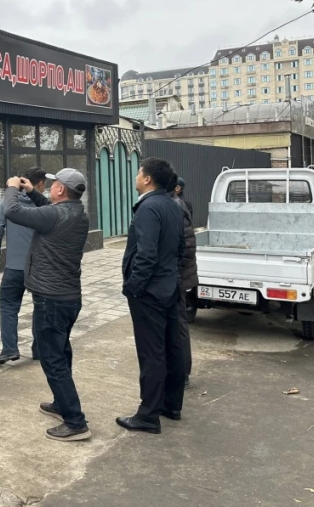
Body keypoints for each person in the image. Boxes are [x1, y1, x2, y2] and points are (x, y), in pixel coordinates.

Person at [3, 168, 91, 442]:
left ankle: (75, 421)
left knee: (52, 359)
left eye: (54, 184)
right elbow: (49, 210)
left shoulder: (55, 216)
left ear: (61, 190)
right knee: (61, 352)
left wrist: (12, 187)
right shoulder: (78, 213)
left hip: (50, 300)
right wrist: (32, 192)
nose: (51, 187)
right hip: (68, 297)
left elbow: (12, 211)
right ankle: (61, 402)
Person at [118, 158, 186, 435]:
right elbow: (180, 249)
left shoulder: (148, 207)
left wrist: (134, 286)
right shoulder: (172, 205)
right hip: (170, 286)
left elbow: (146, 254)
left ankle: (148, 415)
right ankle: (171, 405)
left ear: (147, 179)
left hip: (150, 292)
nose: (136, 177)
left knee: (152, 353)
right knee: (172, 347)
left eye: (139, 172)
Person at [0, 166, 47, 365]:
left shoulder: (8, 202)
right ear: (40, 184)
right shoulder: (45, 205)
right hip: (39, 267)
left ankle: (9, 349)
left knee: (8, 306)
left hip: (15, 266)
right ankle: (39, 349)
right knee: (41, 307)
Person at [168, 173, 196, 389]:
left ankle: (182, 373)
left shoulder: (177, 207)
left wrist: (175, 274)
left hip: (178, 278)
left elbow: (185, 248)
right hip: (179, 276)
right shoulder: (176, 205)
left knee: (178, 326)